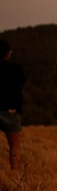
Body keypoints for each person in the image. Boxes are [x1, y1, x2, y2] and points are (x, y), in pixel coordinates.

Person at [0, 39, 24, 171]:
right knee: (14, 145)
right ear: (8, 53)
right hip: (11, 110)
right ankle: (15, 175)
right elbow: (20, 85)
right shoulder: (15, 68)